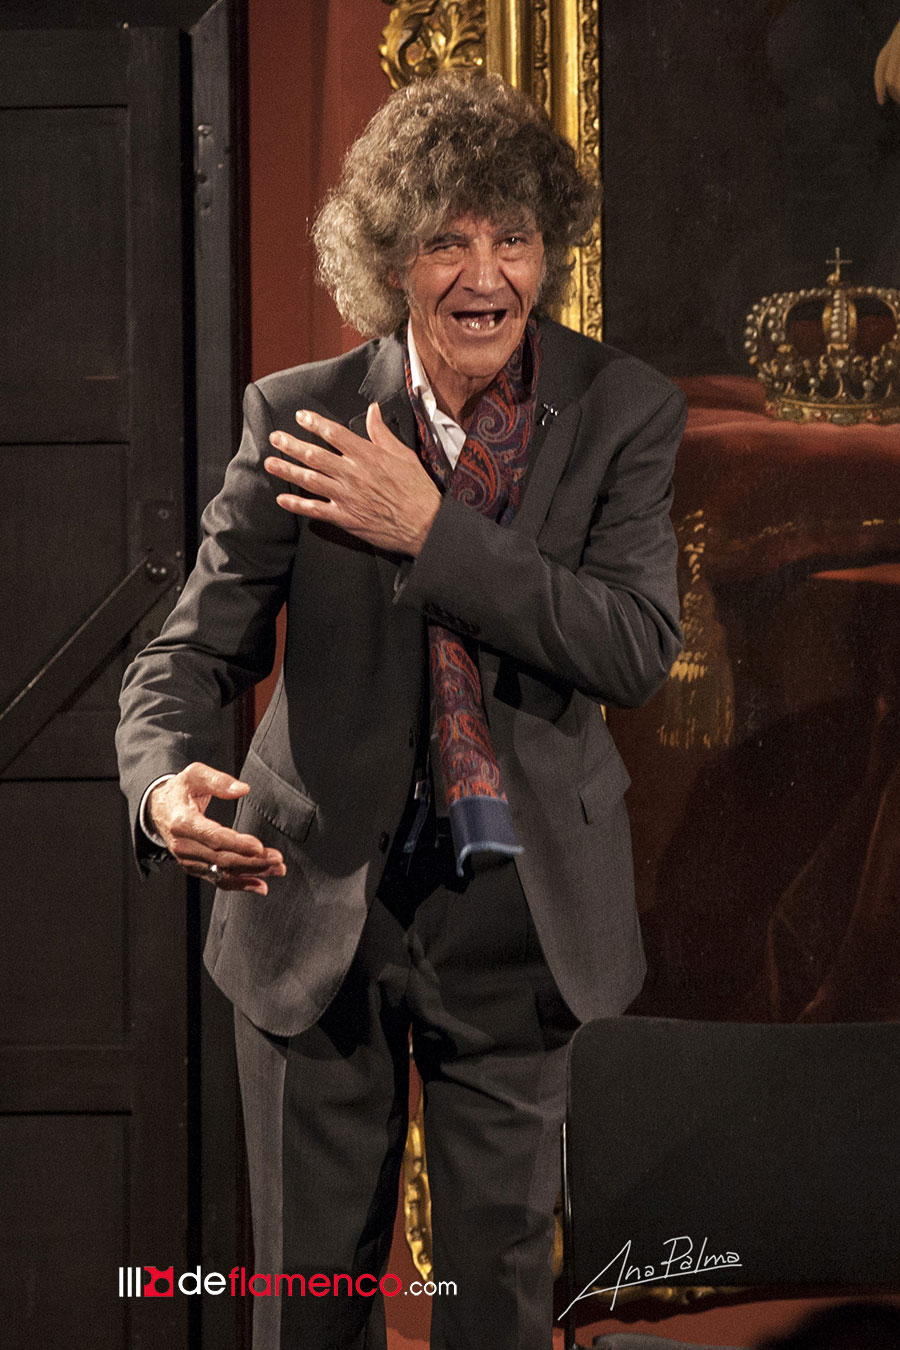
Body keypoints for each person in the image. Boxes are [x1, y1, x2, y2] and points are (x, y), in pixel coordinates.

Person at [116, 72, 685, 1350]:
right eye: (446, 241)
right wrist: (162, 788)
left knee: (499, 1310)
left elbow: (635, 645)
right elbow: (187, 658)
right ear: (388, 261)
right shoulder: (299, 416)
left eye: (513, 239)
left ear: (548, 250)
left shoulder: (623, 411)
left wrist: (432, 531)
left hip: (524, 924)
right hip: (316, 911)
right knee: (309, 1307)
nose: (485, 277)